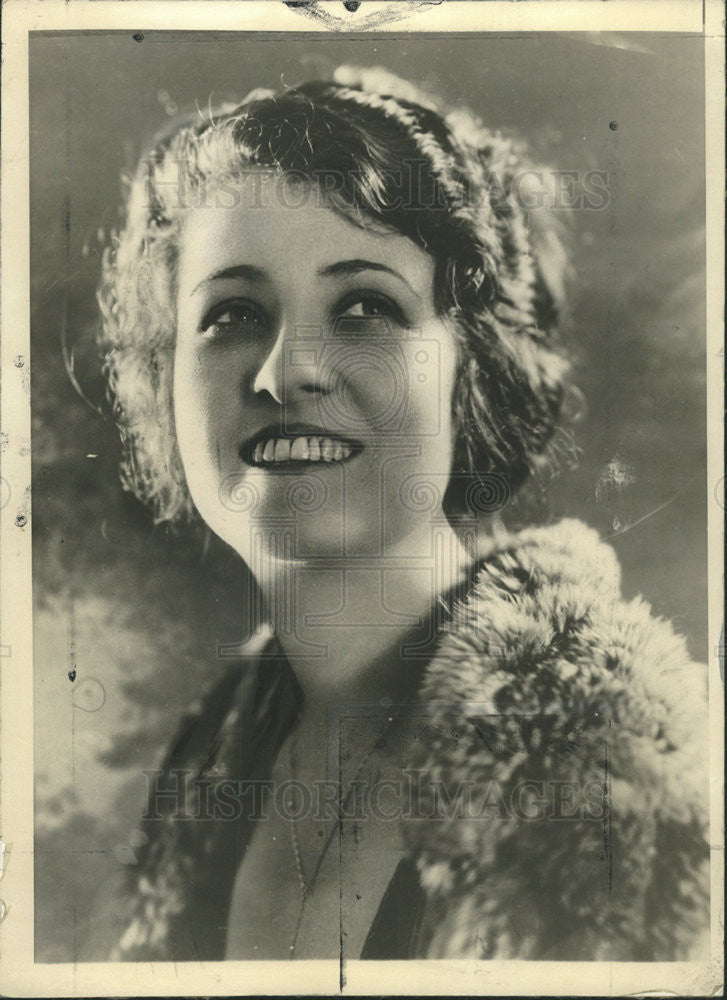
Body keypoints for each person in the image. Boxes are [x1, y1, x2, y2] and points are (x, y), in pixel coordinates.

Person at [92, 65, 709, 962]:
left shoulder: (614, 775)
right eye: (230, 315)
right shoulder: (209, 761)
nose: (283, 373)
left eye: (364, 309)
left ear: (475, 370)